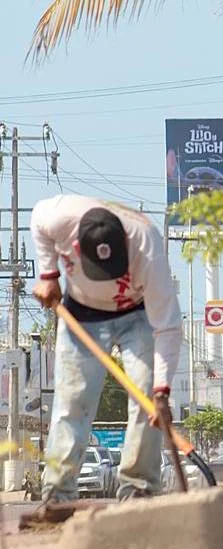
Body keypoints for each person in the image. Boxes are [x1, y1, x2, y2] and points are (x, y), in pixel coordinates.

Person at [29, 195, 181, 506]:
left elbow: (167, 326)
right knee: (72, 403)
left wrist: (162, 390)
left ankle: (139, 488)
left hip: (138, 315)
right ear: (75, 247)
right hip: (81, 314)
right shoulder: (58, 216)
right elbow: (37, 222)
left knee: (147, 402)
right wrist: (49, 275)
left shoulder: (147, 246)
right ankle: (58, 494)